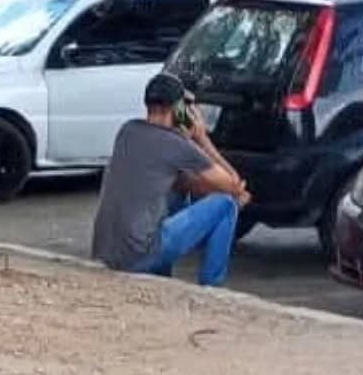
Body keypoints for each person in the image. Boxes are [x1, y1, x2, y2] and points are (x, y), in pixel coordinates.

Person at [92, 73, 250, 288]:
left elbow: (184, 183)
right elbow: (232, 183)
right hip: (137, 256)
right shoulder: (176, 145)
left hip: (107, 253)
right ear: (178, 110)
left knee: (177, 195)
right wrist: (202, 139)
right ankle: (212, 287)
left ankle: (160, 277)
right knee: (226, 204)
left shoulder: (127, 131)